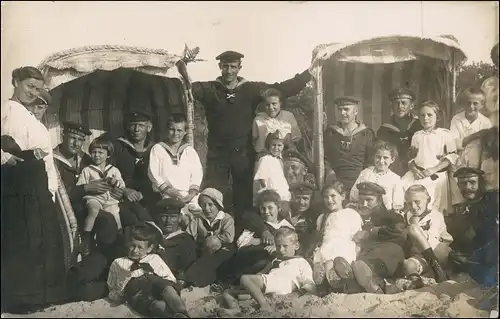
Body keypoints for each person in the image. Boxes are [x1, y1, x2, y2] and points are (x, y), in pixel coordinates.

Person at [177, 50, 311, 226]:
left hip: (243, 154)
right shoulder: (210, 89)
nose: (229, 71)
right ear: (220, 67)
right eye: (226, 66)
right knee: (214, 194)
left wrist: (307, 75)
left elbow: (280, 89)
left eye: (233, 67)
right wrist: (181, 65)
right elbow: (186, 87)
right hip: (218, 154)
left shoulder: (250, 89)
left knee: (244, 199)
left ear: (239, 67)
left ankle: (243, 233)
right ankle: (216, 231)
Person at [1, 66, 67, 312]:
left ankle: (41, 296)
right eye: (29, 86)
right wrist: (3, 158)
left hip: (37, 182)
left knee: (40, 240)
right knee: (22, 240)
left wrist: (49, 189)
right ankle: (20, 299)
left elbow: (47, 159)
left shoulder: (29, 116)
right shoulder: (5, 109)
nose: (33, 93)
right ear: (15, 81)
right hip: (17, 181)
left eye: (38, 89)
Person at [218, 228, 316, 316]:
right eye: (278, 246)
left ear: (296, 246)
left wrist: (298, 293)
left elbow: (310, 284)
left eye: (285, 246)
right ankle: (236, 309)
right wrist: (251, 284)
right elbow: (261, 274)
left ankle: (264, 306)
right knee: (228, 293)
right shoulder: (275, 261)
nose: (281, 250)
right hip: (268, 288)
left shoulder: (300, 262)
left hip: (281, 284)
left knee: (245, 278)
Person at [215, 189, 295, 289]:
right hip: (253, 260)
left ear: (278, 208)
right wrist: (260, 241)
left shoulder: (286, 226)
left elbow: (292, 243)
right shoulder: (256, 225)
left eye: (270, 208)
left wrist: (276, 245)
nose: (266, 212)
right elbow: (242, 243)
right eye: (263, 208)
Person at [107, 223, 188, 318]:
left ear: (149, 248)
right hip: (136, 293)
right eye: (132, 246)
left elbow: (170, 279)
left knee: (168, 289)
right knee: (154, 305)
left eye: (140, 247)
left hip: (157, 287)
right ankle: (174, 316)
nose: (135, 250)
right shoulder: (118, 262)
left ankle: (183, 313)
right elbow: (111, 287)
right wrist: (122, 288)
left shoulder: (154, 259)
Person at [340, 182, 408, 294]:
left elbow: (400, 234)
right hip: (361, 254)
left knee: (368, 262)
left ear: (379, 201)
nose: (364, 204)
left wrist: (370, 233)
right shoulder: (352, 216)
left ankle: (362, 279)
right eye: (361, 200)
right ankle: (377, 285)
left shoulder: (391, 216)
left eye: (369, 200)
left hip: (386, 255)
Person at [104, 109, 159, 234]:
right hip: (123, 197)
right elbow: (107, 173)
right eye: (133, 125)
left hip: (149, 196)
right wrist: (124, 191)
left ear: (149, 127)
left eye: (141, 125)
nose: (136, 129)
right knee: (132, 222)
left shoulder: (155, 149)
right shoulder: (117, 147)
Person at [401, 101, 458, 215]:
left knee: (433, 207)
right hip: (419, 174)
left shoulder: (445, 134)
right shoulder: (417, 136)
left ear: (437, 117)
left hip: (436, 176)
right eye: (422, 115)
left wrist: (434, 169)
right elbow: (412, 159)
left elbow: (452, 156)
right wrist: (414, 170)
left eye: (429, 115)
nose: (425, 118)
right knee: (403, 187)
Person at [148, 113, 203, 228]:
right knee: (184, 220)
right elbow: (154, 174)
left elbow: (197, 173)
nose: (175, 134)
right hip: (168, 194)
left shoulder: (189, 150)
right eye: (172, 129)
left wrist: (192, 193)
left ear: (185, 132)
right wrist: (171, 192)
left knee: (200, 219)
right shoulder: (158, 149)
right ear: (167, 130)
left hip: (189, 195)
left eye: (179, 130)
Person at [447, 167, 498, 286]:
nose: (467, 187)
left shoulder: (493, 199)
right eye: (463, 183)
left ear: (481, 182)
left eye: (472, 182)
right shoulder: (463, 209)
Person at [77, 136, 125, 256]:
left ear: (108, 155)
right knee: (93, 210)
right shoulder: (87, 170)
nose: (97, 155)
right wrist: (89, 186)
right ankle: (86, 239)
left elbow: (122, 185)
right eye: (94, 152)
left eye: (100, 152)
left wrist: (115, 183)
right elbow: (81, 185)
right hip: (94, 198)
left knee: (116, 217)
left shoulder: (114, 170)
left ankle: (119, 241)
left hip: (109, 200)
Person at [311, 181, 363, 292]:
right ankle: (325, 279)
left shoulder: (350, 213)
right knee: (325, 259)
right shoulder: (322, 217)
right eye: (326, 197)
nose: (329, 200)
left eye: (333, 196)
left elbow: (358, 236)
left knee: (335, 260)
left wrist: (358, 249)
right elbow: (320, 237)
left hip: (344, 245)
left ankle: (334, 280)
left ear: (343, 196)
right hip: (326, 246)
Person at [183, 188, 235, 288]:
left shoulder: (226, 219)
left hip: (223, 251)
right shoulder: (198, 219)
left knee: (213, 242)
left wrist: (209, 237)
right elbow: (188, 236)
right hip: (202, 250)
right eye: (203, 205)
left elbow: (229, 237)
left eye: (211, 205)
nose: (206, 208)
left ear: (218, 206)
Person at [324, 96, 375, 195]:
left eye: (346, 109)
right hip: (335, 182)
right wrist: (328, 170)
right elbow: (324, 158)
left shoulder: (366, 134)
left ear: (356, 111)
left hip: (359, 181)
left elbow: (371, 161)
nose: (342, 113)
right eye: (340, 110)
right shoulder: (330, 133)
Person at [400, 185, 451, 284]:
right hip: (421, 256)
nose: (413, 207)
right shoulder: (406, 216)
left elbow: (432, 240)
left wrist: (414, 225)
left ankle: (437, 269)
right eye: (409, 203)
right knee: (407, 264)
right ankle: (416, 280)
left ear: (428, 200)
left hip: (438, 252)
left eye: (417, 202)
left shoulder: (435, 215)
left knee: (412, 229)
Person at [377, 88, 423, 177]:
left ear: (411, 106)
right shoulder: (385, 129)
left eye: (404, 103)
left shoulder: (419, 125)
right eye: (396, 103)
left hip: (417, 172)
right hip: (393, 172)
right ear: (391, 106)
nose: (400, 106)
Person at [350, 140, 405, 211]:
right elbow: (354, 196)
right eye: (378, 157)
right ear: (374, 157)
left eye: (385, 158)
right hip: (364, 211)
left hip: (385, 215)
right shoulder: (365, 173)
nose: (381, 161)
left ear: (392, 159)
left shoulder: (395, 179)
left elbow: (397, 206)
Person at [154, 198, 197, 284]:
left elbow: (187, 268)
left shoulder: (185, 240)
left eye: (173, 217)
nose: (168, 221)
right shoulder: (151, 236)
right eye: (164, 216)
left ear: (180, 217)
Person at [252, 88, 302, 157]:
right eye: (267, 104)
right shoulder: (258, 120)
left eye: (274, 104)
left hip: (286, 157)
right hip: (264, 158)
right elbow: (254, 140)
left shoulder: (288, 116)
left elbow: (296, 138)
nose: (271, 107)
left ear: (280, 103)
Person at [253, 130, 291, 206]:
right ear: (269, 145)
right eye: (273, 145)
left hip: (283, 196)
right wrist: (268, 194)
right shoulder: (265, 159)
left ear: (283, 146)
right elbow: (261, 178)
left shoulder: (279, 160)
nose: (276, 148)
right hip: (273, 196)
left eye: (279, 145)